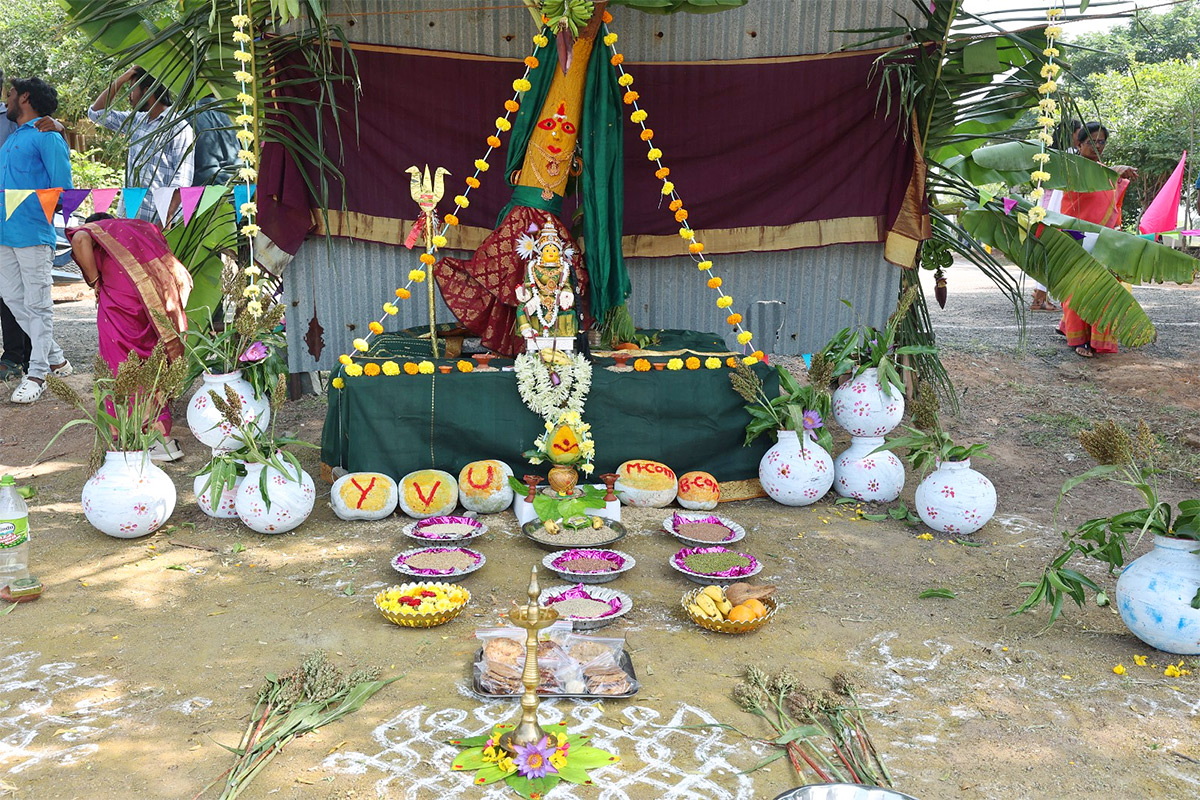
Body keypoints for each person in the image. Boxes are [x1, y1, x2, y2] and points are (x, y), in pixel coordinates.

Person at [69, 213, 192, 461]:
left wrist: (94, 281)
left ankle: (127, 440)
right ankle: (162, 440)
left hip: (118, 312)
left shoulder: (96, 231)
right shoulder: (139, 231)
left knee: (120, 370)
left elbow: (80, 238)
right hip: (150, 310)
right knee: (152, 367)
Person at [0, 77, 73, 403]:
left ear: (25, 97)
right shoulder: (13, 139)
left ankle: (38, 373)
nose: (8, 100)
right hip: (4, 235)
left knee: (38, 305)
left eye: (12, 94)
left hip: (33, 233)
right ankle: (56, 356)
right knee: (14, 300)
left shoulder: (48, 137)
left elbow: (64, 190)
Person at [1057, 121, 1137, 358]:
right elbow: (1087, 188)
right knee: (1078, 288)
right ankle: (1078, 340)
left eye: (1101, 142)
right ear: (1079, 144)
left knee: (1102, 287)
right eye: (1091, 141)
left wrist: (1119, 180)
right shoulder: (1072, 168)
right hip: (1075, 236)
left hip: (1101, 239)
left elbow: (1109, 198)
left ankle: (1088, 334)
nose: (1097, 146)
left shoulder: (1102, 169)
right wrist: (1114, 174)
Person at [88, 66, 194, 224]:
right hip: (129, 215)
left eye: (131, 90)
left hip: (158, 222)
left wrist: (165, 221)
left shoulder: (179, 128)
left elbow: (182, 180)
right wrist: (124, 78)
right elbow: (97, 114)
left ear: (147, 91)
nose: (129, 96)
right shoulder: (137, 121)